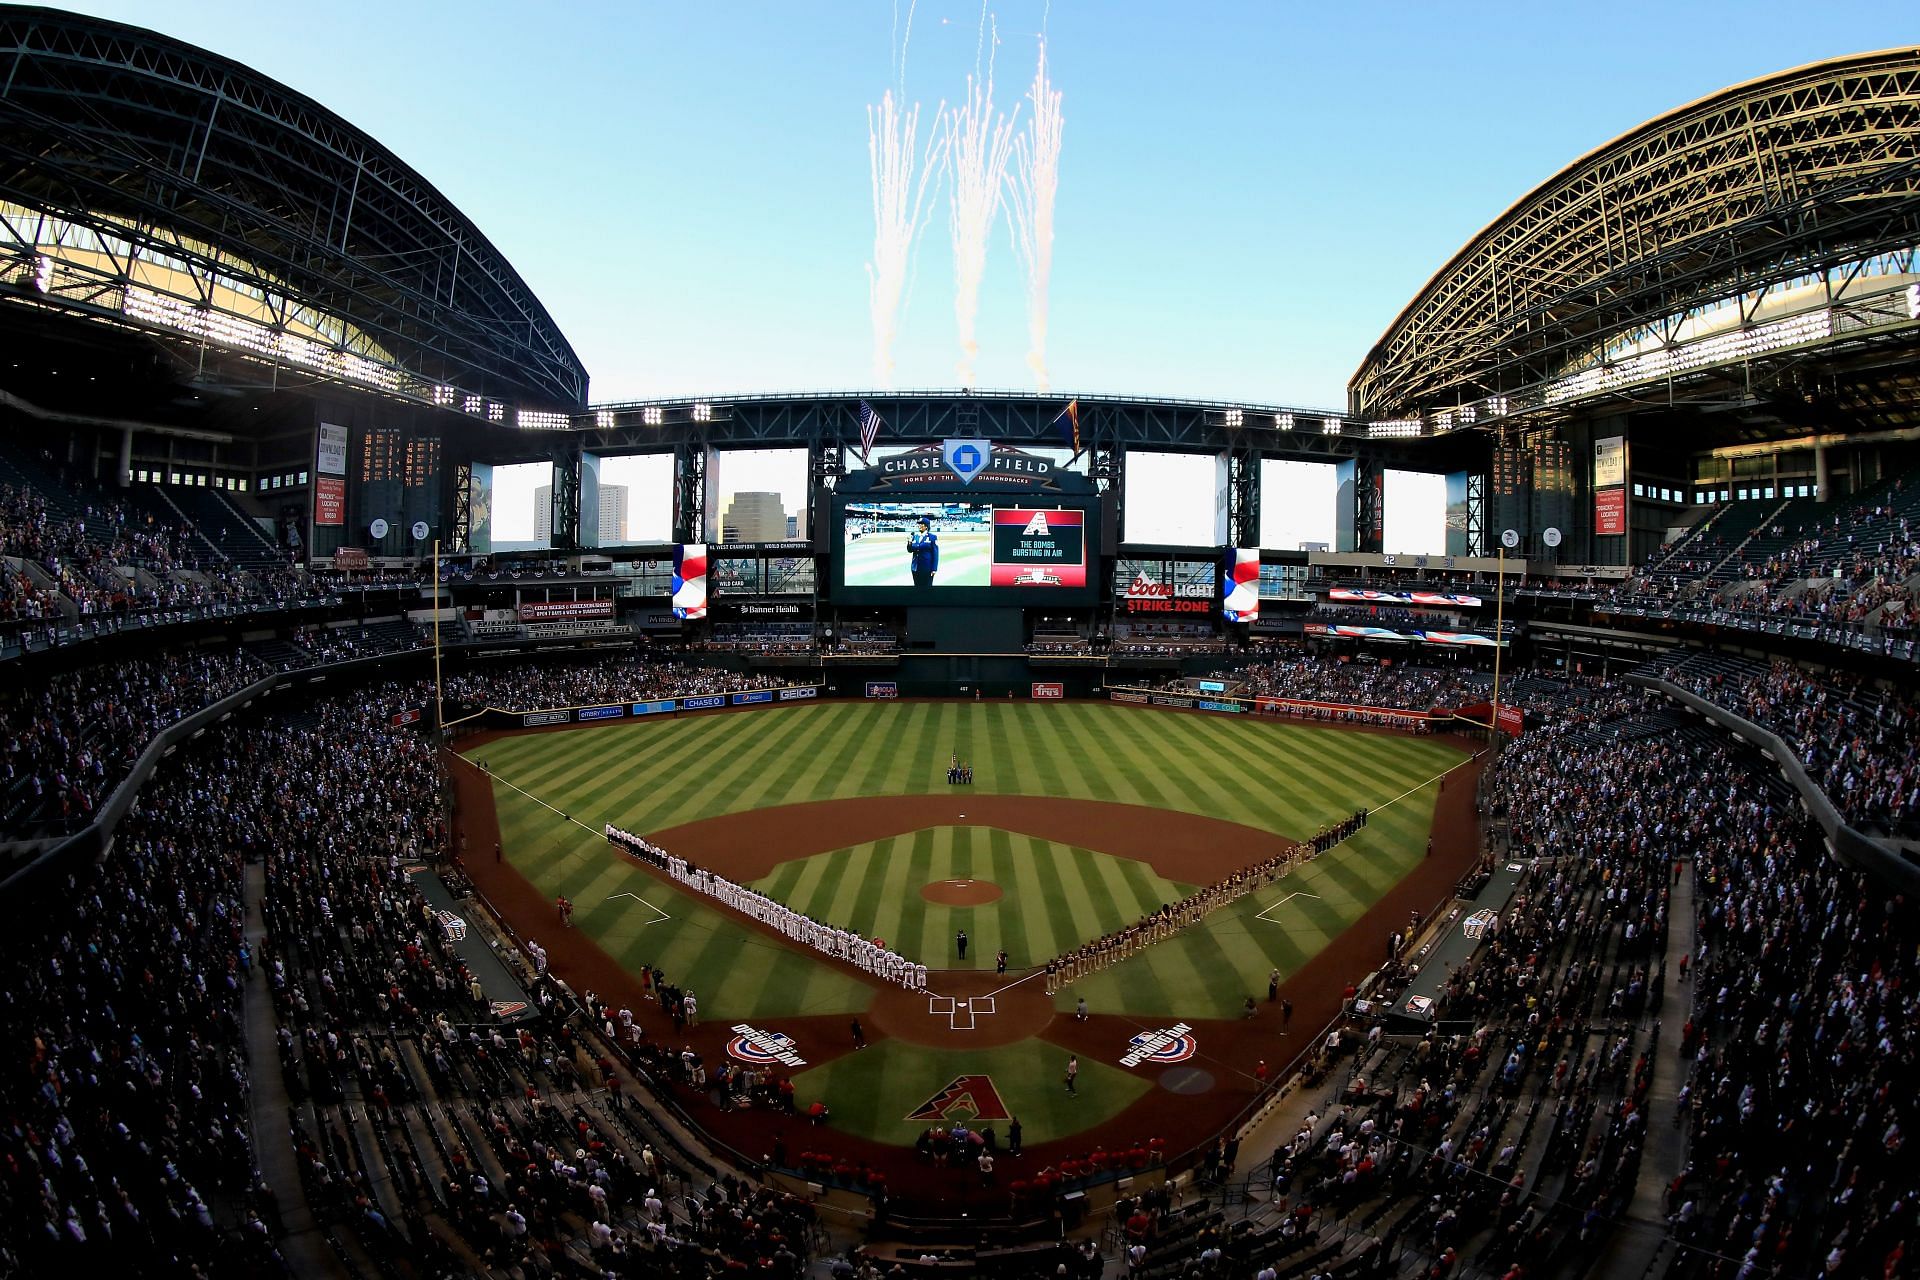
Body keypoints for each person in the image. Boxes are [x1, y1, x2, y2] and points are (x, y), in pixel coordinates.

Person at [907, 517, 939, 587]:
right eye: (919, 524)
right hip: (915, 568)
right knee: (917, 588)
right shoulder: (915, 536)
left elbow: (935, 554)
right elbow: (910, 550)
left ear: (926, 526)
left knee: (927, 589)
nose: (919, 526)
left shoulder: (932, 537)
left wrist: (934, 569)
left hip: (927, 568)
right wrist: (909, 542)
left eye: (922, 524)